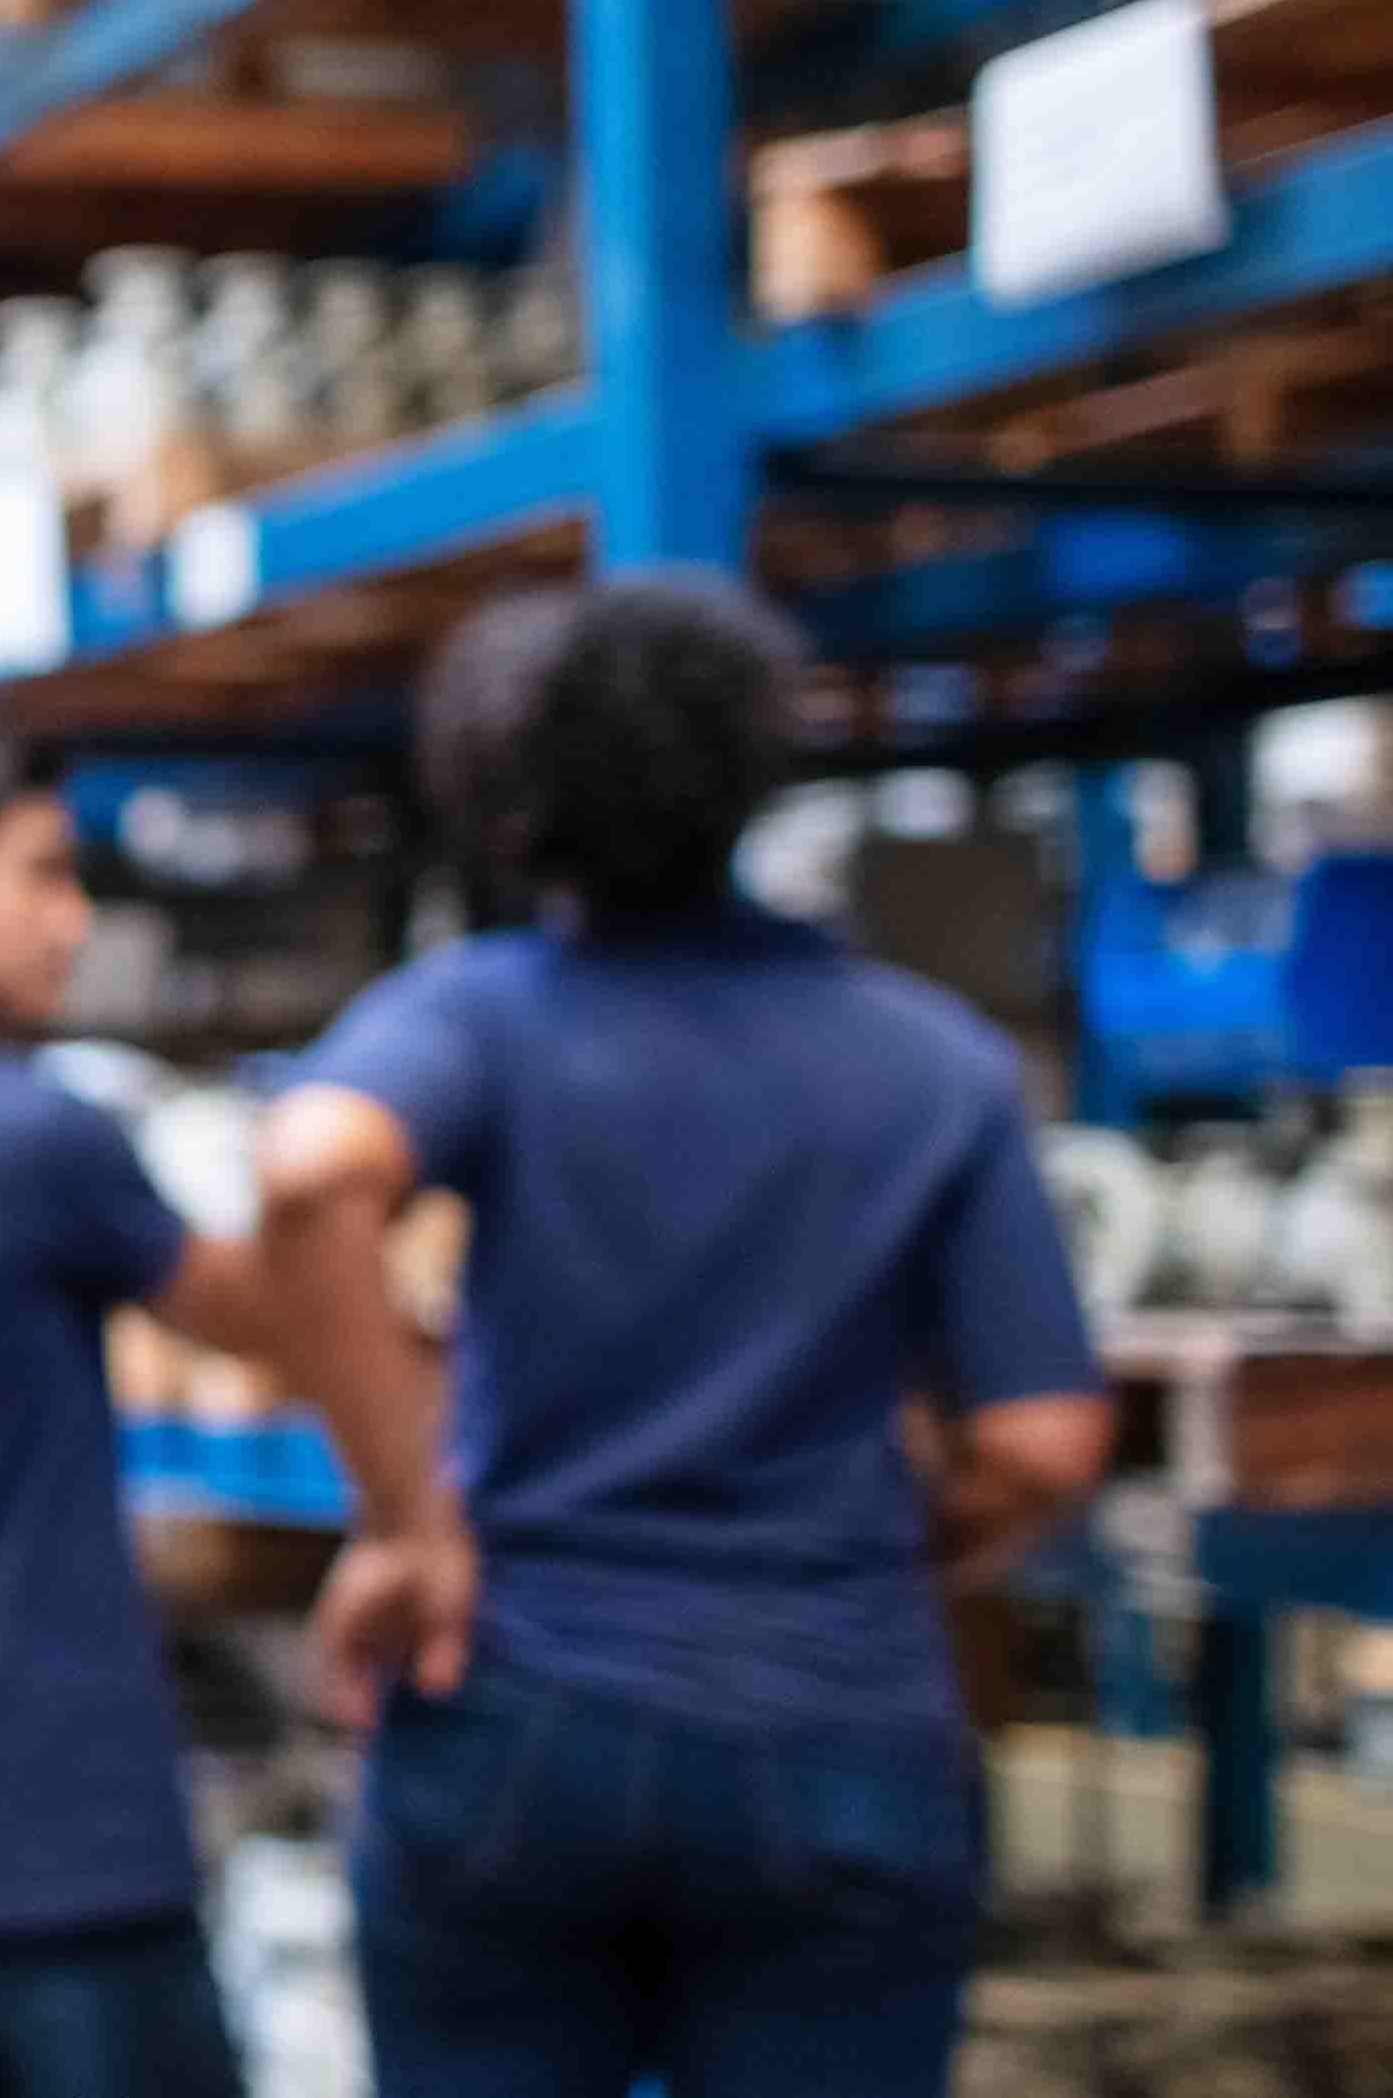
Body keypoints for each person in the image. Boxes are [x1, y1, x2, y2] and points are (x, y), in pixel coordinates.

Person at [259, 575, 1113, 2098]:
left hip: (513, 1705)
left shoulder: (477, 1018)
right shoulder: (927, 1060)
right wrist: (863, 1548)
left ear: (505, 796)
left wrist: (406, 1523)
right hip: (832, 1725)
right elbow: (1042, 1441)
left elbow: (314, 1177)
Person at [0, 724, 458, 2098]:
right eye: (41, 877)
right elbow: (268, 1318)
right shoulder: (31, 1135)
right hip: (51, 1842)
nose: (72, 923)